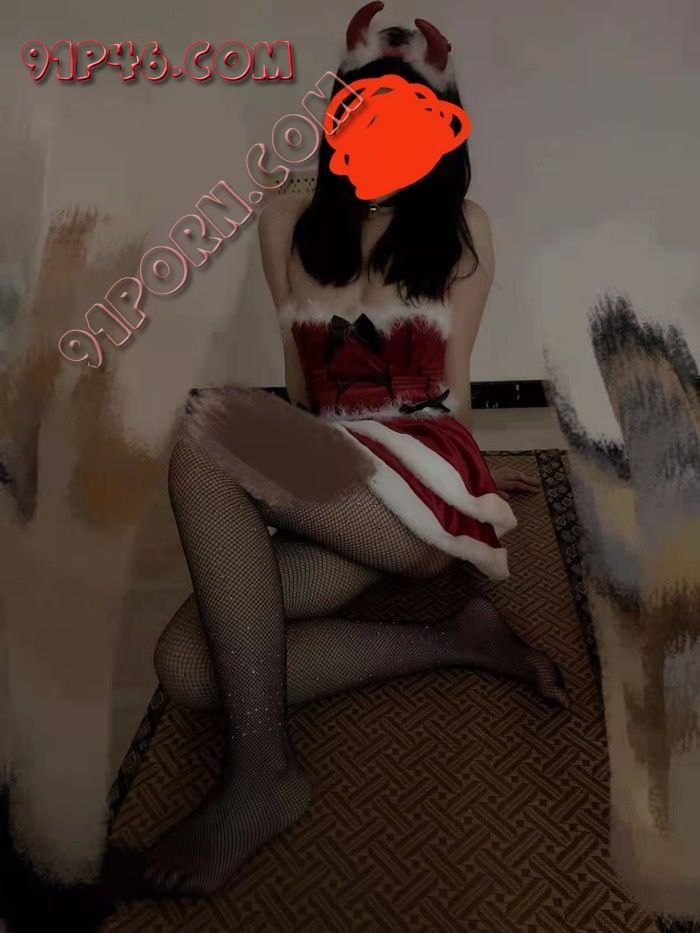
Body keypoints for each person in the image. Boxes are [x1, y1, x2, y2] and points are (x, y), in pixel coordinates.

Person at [139, 5, 568, 898]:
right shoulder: (286, 223)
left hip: (418, 484)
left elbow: (453, 387)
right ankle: (457, 640)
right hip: (337, 477)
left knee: (205, 429)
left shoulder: (464, 227)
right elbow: (302, 392)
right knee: (185, 667)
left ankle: (263, 777)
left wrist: (472, 483)